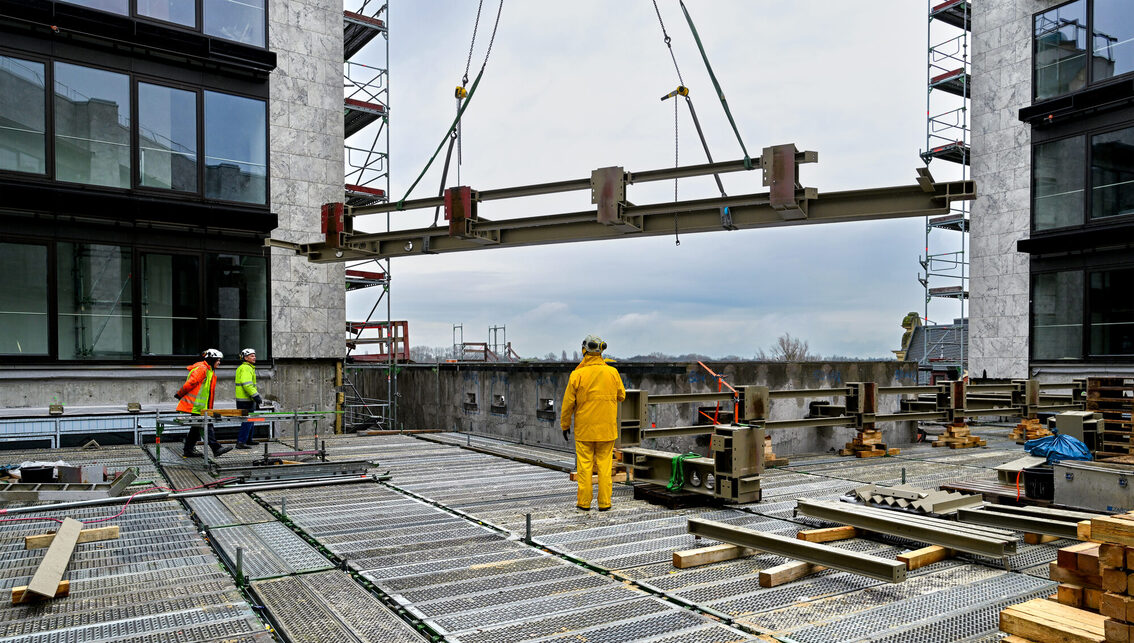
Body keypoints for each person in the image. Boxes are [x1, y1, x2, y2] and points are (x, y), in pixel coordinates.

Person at [560, 334, 626, 511]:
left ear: (584, 350)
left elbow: (567, 404)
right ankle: (605, 503)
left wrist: (565, 425)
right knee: (605, 467)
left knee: (585, 468)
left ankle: (584, 503)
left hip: (585, 431)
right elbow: (622, 396)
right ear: (601, 351)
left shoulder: (577, 375)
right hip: (607, 430)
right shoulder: (612, 373)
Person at [175, 349, 232, 458]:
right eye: (218, 360)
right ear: (211, 359)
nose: (219, 362)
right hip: (197, 406)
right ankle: (216, 448)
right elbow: (191, 383)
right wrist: (179, 394)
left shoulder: (209, 370)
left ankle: (188, 450)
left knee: (195, 429)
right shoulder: (203, 369)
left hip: (200, 407)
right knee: (207, 425)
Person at [234, 348, 264, 449]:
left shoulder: (247, 367)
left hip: (246, 400)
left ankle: (248, 440)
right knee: (247, 420)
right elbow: (247, 385)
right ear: (246, 358)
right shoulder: (246, 368)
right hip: (245, 400)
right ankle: (241, 442)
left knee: (251, 419)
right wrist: (256, 396)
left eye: (254, 355)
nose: (254, 357)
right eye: (252, 356)